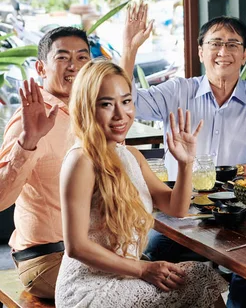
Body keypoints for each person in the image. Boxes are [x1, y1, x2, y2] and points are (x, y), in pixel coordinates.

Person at [120, 4, 246, 308]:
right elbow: (129, 101)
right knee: (151, 259)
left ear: (245, 55)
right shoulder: (177, 92)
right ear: (200, 51)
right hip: (180, 211)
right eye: (214, 43)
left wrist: (243, 169)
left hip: (238, 214)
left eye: (232, 44)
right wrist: (130, 49)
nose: (223, 51)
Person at [54, 59, 228, 307]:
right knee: (198, 278)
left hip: (125, 275)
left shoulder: (131, 155)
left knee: (197, 276)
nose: (121, 114)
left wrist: (185, 163)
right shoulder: (81, 160)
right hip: (88, 290)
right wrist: (142, 269)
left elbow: (176, 208)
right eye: (106, 104)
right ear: (87, 108)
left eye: (126, 101)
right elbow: (76, 247)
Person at [0, 26, 91, 298]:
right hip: (48, 259)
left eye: (82, 58)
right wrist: (28, 141)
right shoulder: (30, 119)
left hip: (93, 252)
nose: (73, 66)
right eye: (62, 57)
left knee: (192, 277)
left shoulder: (87, 114)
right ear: (41, 68)